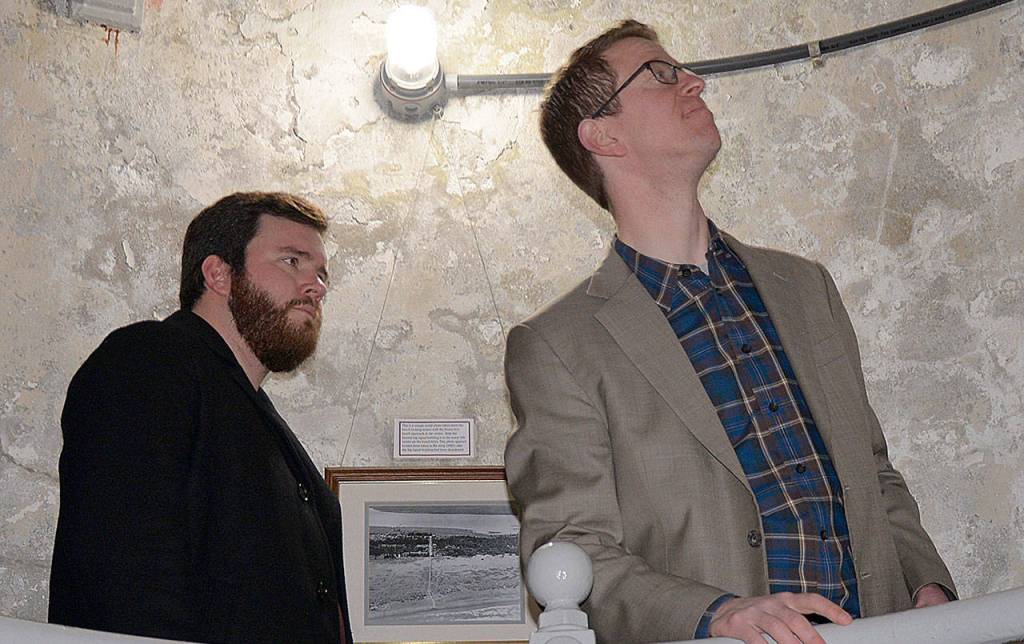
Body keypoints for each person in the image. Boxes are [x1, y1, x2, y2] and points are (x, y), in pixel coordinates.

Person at [503, 20, 956, 644]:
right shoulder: (557, 346)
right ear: (602, 134)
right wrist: (715, 614)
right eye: (661, 75)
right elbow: (575, 551)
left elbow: (873, 473)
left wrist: (926, 586)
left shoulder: (807, 288)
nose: (694, 81)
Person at [49, 192, 352, 644]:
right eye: (293, 261)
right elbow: (123, 583)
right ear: (219, 274)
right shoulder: (147, 362)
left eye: (321, 274)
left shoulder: (252, 413)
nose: (316, 286)